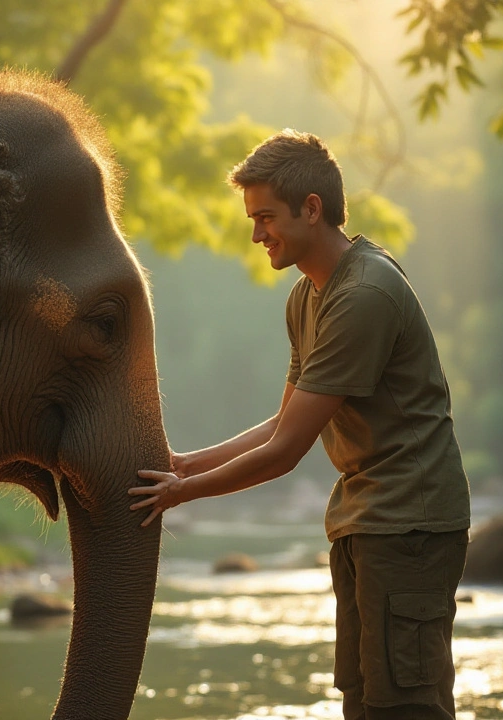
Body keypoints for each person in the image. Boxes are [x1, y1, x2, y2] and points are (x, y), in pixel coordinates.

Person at [130, 129, 471, 720]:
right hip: (363, 520)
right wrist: (187, 463)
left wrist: (184, 494)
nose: (257, 234)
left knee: (406, 706)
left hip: (409, 525)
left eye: (265, 217)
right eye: (252, 219)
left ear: (311, 209)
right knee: (362, 701)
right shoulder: (307, 296)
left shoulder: (364, 294)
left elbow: (287, 450)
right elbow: (284, 420)